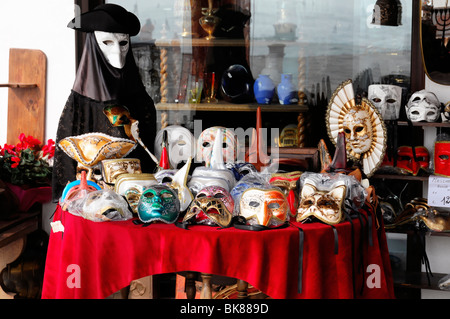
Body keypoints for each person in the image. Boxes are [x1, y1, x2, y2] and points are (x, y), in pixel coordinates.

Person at [52, 4, 157, 202]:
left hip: (137, 200)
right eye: (107, 42)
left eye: (123, 43)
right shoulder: (78, 105)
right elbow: (65, 168)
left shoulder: (140, 100)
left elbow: (149, 158)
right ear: (94, 45)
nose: (117, 52)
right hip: (91, 202)